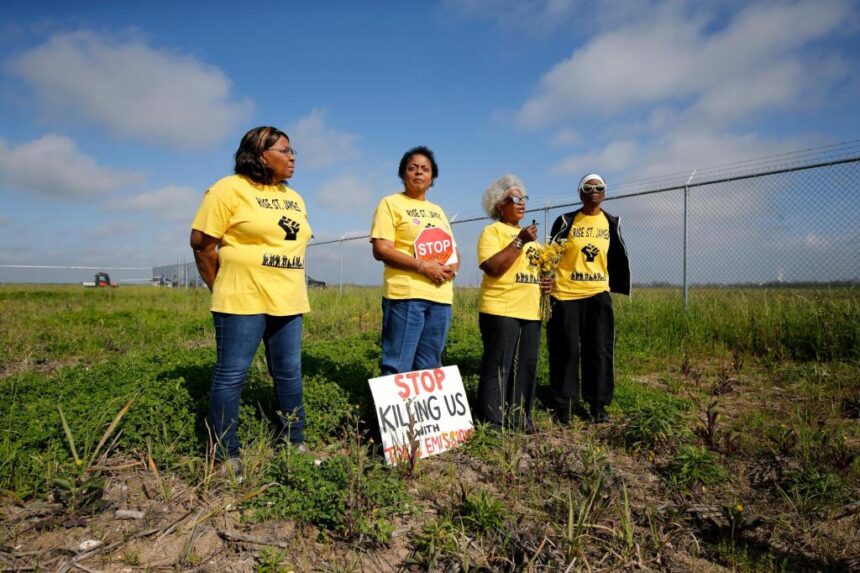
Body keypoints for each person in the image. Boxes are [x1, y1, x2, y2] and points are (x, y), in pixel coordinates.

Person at [190, 126, 312, 467]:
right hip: (241, 299)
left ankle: (294, 442)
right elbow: (203, 245)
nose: (292, 157)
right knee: (232, 375)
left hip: (287, 299)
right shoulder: (228, 189)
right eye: (284, 150)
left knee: (289, 373)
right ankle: (225, 453)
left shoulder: (295, 197)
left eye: (292, 151)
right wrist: (223, 286)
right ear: (261, 155)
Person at [547, 173, 630, 423]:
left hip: (597, 295)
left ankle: (598, 404)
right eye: (588, 186)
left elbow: (615, 256)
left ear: (604, 193)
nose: (594, 190)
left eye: (599, 187)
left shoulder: (611, 222)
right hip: (565, 294)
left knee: (599, 350)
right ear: (580, 192)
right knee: (566, 350)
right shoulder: (565, 221)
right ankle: (564, 405)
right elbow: (551, 255)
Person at [370, 146, 459, 375]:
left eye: (425, 169)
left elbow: (453, 250)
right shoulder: (390, 204)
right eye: (413, 168)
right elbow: (382, 249)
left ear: (432, 178)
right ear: (403, 174)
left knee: (430, 365)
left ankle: (420, 412)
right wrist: (422, 266)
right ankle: (397, 411)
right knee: (398, 364)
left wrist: (452, 267)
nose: (419, 172)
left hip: (440, 297)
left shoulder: (437, 211)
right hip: (406, 295)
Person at [475, 174, 552, 433]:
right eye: (514, 199)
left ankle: (519, 417)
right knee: (499, 366)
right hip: (501, 309)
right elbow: (493, 268)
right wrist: (519, 240)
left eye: (524, 199)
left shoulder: (536, 244)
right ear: (500, 205)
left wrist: (548, 284)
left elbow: (541, 275)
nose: (521, 203)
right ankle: (492, 422)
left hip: (530, 312)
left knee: (526, 367)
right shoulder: (492, 232)